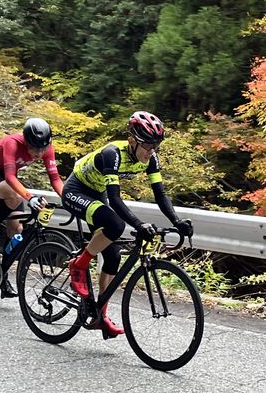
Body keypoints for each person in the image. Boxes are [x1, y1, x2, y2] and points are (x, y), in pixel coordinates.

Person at [62, 111, 193, 338]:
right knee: (115, 225)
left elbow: (160, 195)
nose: (151, 151)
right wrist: (138, 224)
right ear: (132, 141)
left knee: (113, 256)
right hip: (77, 191)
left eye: (156, 146)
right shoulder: (112, 153)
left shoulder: (151, 159)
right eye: (147, 145)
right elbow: (115, 199)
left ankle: (100, 316)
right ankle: (79, 264)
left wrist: (177, 221)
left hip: (97, 193)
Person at [0, 117, 64, 298]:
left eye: (42, 148)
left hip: (11, 184)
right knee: (15, 195)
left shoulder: (47, 148)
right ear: (25, 141)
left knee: (17, 230)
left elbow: (55, 179)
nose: (38, 154)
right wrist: (30, 197)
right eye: (33, 148)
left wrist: (69, 198)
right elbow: (9, 176)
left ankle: (1, 273)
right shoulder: (12, 143)